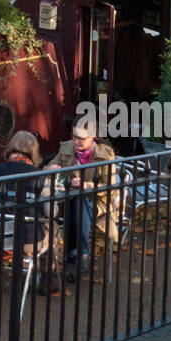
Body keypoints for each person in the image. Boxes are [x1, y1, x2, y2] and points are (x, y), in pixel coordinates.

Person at [0, 131, 58, 293]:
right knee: (52, 227)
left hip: (1, 238)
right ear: (34, 150)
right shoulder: (40, 176)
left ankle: (16, 275)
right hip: (29, 240)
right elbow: (51, 211)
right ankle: (48, 279)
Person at [47, 119, 117, 281]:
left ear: (92, 137)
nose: (76, 141)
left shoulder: (105, 154)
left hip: (98, 202)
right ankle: (82, 254)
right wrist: (52, 169)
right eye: (74, 137)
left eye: (81, 138)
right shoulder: (66, 148)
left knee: (78, 199)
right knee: (76, 199)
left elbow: (111, 187)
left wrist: (87, 185)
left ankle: (72, 257)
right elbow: (48, 167)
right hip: (69, 201)